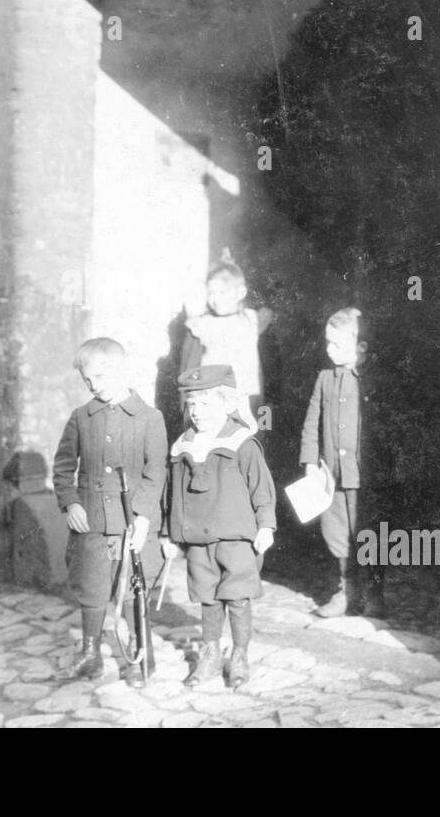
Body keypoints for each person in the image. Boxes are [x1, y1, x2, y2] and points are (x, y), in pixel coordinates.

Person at [52, 338, 168, 688]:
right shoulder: (81, 417)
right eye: (88, 380)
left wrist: (144, 518)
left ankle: (139, 651)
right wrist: (70, 502)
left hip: (132, 523)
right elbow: (63, 466)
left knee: (132, 588)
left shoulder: (149, 418)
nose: (94, 385)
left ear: (122, 369)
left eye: (101, 376)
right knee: (91, 586)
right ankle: (90, 654)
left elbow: (155, 472)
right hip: (91, 522)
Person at [162, 364, 276, 689]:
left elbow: (262, 490)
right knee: (208, 598)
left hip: (237, 539)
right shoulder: (183, 447)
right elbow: (174, 497)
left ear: (227, 404)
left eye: (206, 404)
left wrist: (266, 526)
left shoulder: (242, 443)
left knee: (238, 597)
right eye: (192, 404)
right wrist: (169, 535)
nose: (196, 412)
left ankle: (238, 655)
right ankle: (211, 653)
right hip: (199, 540)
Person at [300, 307, 387, 619]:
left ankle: (375, 593)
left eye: (336, 344)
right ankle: (345, 591)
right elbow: (312, 421)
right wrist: (310, 461)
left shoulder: (374, 380)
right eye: (326, 342)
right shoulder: (324, 379)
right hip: (332, 475)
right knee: (336, 533)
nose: (328, 349)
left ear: (360, 347)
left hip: (365, 475)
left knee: (369, 533)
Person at [179, 249, 273, 432]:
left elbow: (268, 314)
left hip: (247, 397)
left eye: (223, 292)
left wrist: (231, 265)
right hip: (213, 398)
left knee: (247, 443)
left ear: (241, 292)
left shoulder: (250, 320)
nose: (215, 299)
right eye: (211, 293)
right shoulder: (204, 324)